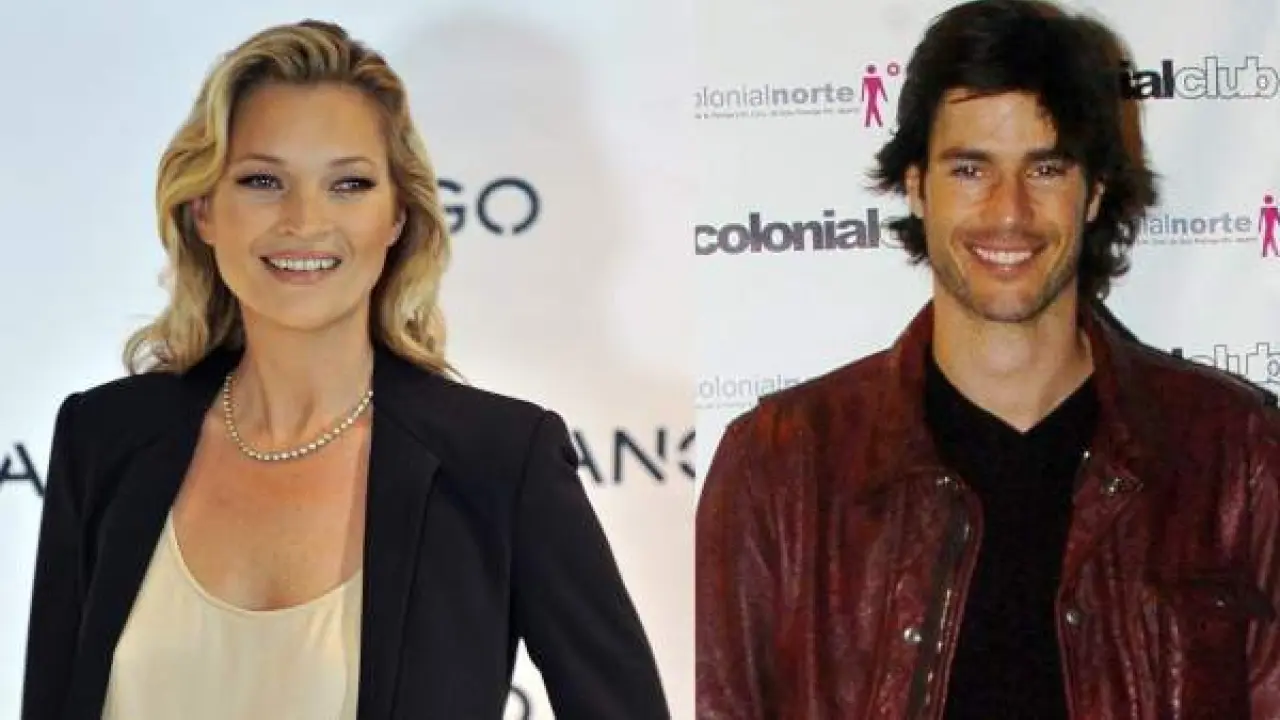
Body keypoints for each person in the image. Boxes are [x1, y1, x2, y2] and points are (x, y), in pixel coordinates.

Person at [22, 20, 668, 720]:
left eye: (349, 184)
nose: (304, 221)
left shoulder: (500, 462)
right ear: (204, 209)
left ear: (397, 216)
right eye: (263, 180)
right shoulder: (103, 438)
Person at [696, 0, 1280, 717]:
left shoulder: (1234, 458)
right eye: (971, 169)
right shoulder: (781, 469)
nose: (1009, 212)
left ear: (1093, 192)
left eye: (1046, 169)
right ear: (917, 186)